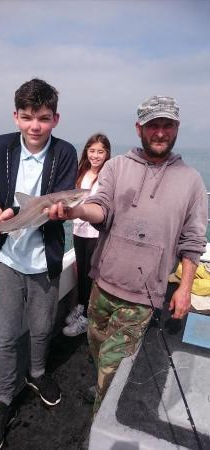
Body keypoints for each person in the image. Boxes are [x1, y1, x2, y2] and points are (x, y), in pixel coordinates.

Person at [48, 95, 208, 415]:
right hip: (102, 286)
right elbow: (100, 208)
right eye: (152, 125)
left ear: (176, 128)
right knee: (98, 352)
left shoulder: (191, 181)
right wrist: (76, 209)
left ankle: (102, 424)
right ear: (139, 129)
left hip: (142, 297)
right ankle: (105, 387)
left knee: (112, 367)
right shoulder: (117, 166)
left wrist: (185, 289)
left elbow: (192, 241)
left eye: (166, 125)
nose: (160, 132)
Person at [0, 78, 78, 450]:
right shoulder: (1, 146)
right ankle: (4, 402)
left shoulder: (66, 152)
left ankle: (37, 374)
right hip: (6, 255)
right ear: (16, 117)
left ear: (55, 118)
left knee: (40, 327)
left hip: (44, 258)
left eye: (43, 117)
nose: (35, 125)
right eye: (27, 117)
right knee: (3, 335)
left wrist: (62, 212)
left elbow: (65, 202)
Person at [63, 133, 111, 337]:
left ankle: (88, 317)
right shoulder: (81, 171)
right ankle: (81, 307)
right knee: (80, 271)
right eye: (92, 151)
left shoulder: (109, 175)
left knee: (91, 275)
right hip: (79, 229)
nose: (96, 155)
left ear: (107, 153)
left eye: (100, 151)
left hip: (96, 233)